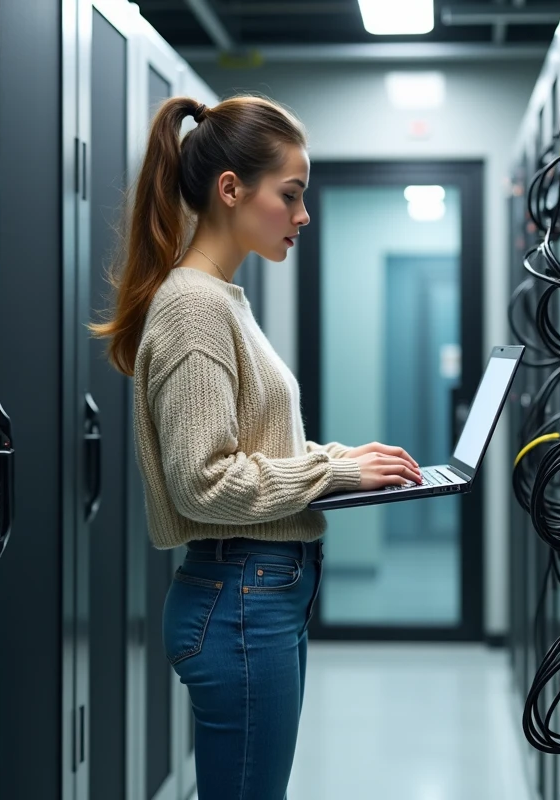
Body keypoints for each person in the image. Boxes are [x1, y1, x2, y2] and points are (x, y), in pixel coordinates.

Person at [89, 94, 424, 799]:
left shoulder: (220, 300)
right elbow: (203, 481)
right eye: (291, 195)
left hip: (255, 591)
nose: (303, 215)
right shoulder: (194, 306)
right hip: (242, 595)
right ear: (231, 189)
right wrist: (331, 468)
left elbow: (247, 445)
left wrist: (344, 463)